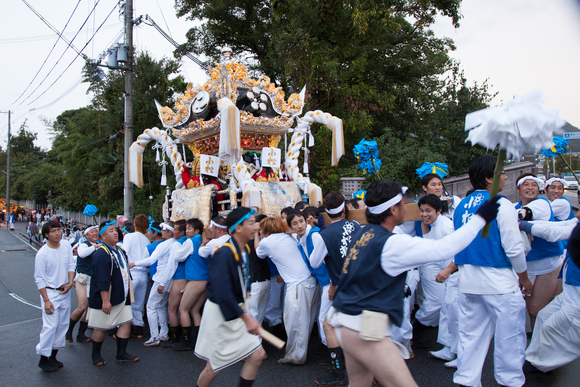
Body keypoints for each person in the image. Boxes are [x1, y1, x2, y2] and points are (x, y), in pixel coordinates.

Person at [326, 178, 500, 387]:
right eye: (402, 203)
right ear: (393, 209)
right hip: (365, 331)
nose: (406, 207)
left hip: (348, 324)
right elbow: (444, 249)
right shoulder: (392, 243)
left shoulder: (362, 235)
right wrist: (481, 218)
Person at [451, 157, 532, 387]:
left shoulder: (461, 206)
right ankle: (511, 382)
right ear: (489, 178)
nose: (506, 177)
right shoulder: (500, 203)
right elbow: (514, 248)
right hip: (499, 284)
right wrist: (524, 278)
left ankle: (467, 380)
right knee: (510, 339)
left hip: (468, 282)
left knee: (470, 339)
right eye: (502, 172)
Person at [194, 207, 266, 387]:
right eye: (250, 223)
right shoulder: (224, 253)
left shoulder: (243, 250)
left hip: (235, 312)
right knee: (214, 367)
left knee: (257, 355)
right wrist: (246, 318)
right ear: (238, 228)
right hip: (221, 314)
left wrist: (245, 313)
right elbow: (221, 292)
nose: (255, 227)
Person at [310, 191, 361, 386]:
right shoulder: (355, 225)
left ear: (327, 212)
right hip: (362, 284)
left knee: (328, 325)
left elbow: (315, 262)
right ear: (344, 209)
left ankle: (338, 371)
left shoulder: (325, 235)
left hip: (343, 287)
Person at [519, 217, 580, 373]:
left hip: (577, 293)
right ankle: (533, 358)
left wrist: (522, 225)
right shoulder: (577, 223)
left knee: (555, 328)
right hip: (571, 287)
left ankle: (536, 363)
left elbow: (555, 232)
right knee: (544, 316)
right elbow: (555, 225)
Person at [255, 215, 318, 365]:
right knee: (306, 321)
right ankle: (297, 354)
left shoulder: (267, 242)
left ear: (265, 231)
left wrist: (257, 234)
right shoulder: (289, 236)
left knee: (295, 323)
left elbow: (258, 252)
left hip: (297, 286)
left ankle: (296, 357)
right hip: (310, 281)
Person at [515, 173, 563, 329]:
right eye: (526, 184)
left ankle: (543, 348)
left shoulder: (541, 203)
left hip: (549, 264)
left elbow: (525, 214)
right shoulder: (514, 207)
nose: (530, 188)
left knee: (537, 309)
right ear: (518, 189)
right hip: (528, 267)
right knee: (532, 310)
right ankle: (538, 346)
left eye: (534, 184)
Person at [87, 221, 138, 366]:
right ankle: (95, 355)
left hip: (122, 295)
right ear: (102, 236)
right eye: (110, 231)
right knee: (102, 326)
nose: (115, 232)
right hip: (107, 297)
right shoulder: (101, 254)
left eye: (115, 230)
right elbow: (102, 279)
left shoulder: (119, 250)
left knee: (126, 321)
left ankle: (121, 353)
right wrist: (105, 300)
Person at [34, 220, 75, 372]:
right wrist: (46, 300)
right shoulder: (42, 254)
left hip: (65, 289)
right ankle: (43, 359)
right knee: (50, 326)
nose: (57, 233)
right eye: (53, 231)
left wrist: (70, 282)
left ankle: (53, 356)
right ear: (46, 234)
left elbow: (71, 264)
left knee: (63, 325)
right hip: (51, 293)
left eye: (58, 229)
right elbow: (39, 278)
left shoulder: (65, 245)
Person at [288, 210, 331, 348]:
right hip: (323, 281)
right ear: (291, 227)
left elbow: (326, 260)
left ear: (307, 221)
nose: (299, 225)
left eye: (301, 221)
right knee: (325, 316)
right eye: (295, 223)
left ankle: (330, 350)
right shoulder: (301, 239)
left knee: (323, 317)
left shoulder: (314, 236)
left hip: (330, 282)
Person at [129, 222, 176, 346]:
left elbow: (151, 260)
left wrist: (134, 263)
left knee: (151, 307)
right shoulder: (176, 244)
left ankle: (155, 337)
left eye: (164, 229)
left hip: (161, 279)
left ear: (170, 232)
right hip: (168, 280)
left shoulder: (164, 245)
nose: (162, 231)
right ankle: (164, 334)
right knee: (161, 307)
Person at [170, 218, 207, 351]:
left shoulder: (190, 241)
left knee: (183, 309)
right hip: (206, 280)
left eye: (189, 229)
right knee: (195, 310)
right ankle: (199, 342)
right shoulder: (203, 241)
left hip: (196, 280)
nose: (186, 231)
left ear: (196, 230)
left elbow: (178, 257)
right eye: (186, 228)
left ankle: (187, 342)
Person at [66, 225, 101, 343]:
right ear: (86, 235)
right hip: (83, 279)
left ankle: (81, 334)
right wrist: (96, 246)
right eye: (92, 232)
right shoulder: (84, 245)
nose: (95, 233)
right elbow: (81, 254)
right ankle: (69, 331)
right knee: (82, 306)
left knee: (87, 309)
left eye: (96, 231)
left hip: (94, 280)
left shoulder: (98, 246)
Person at [159, 219, 188, 347]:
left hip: (178, 278)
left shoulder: (176, 244)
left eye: (175, 229)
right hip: (187, 278)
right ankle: (185, 337)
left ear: (182, 232)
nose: (173, 232)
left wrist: (163, 282)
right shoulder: (188, 241)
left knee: (172, 309)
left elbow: (171, 265)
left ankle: (176, 338)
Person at [122, 214, 151, 339]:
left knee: (126, 301)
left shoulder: (129, 236)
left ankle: (122, 328)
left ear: (134, 224)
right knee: (139, 302)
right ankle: (138, 327)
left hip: (132, 272)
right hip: (143, 274)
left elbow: (124, 252)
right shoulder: (147, 240)